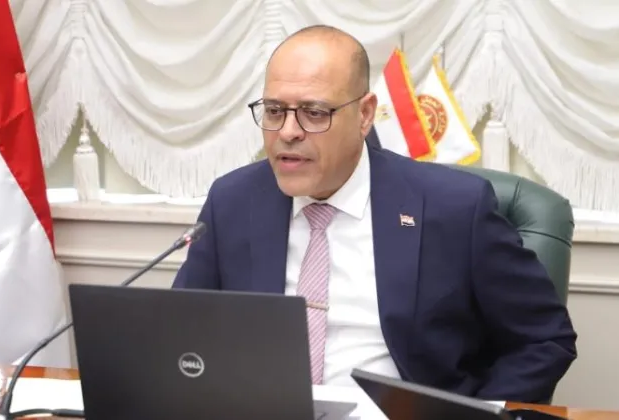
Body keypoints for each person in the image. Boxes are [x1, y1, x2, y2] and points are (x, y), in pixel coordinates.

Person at [172, 25, 577, 403]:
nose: (288, 132)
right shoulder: (233, 202)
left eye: (314, 113)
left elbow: (544, 339)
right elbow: (181, 335)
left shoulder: (454, 208)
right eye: (275, 110)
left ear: (365, 115)